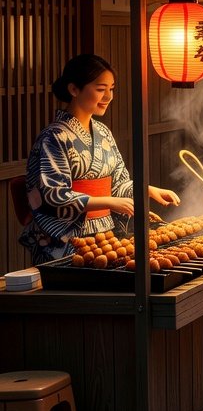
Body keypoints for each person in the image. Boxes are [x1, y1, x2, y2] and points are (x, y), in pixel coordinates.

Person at [20, 54, 181, 264]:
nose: (108, 96)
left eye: (111, 89)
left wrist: (147, 190)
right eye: (100, 89)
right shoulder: (53, 137)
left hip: (106, 235)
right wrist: (108, 202)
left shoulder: (103, 132)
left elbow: (119, 183)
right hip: (67, 240)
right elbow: (54, 194)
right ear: (74, 89)